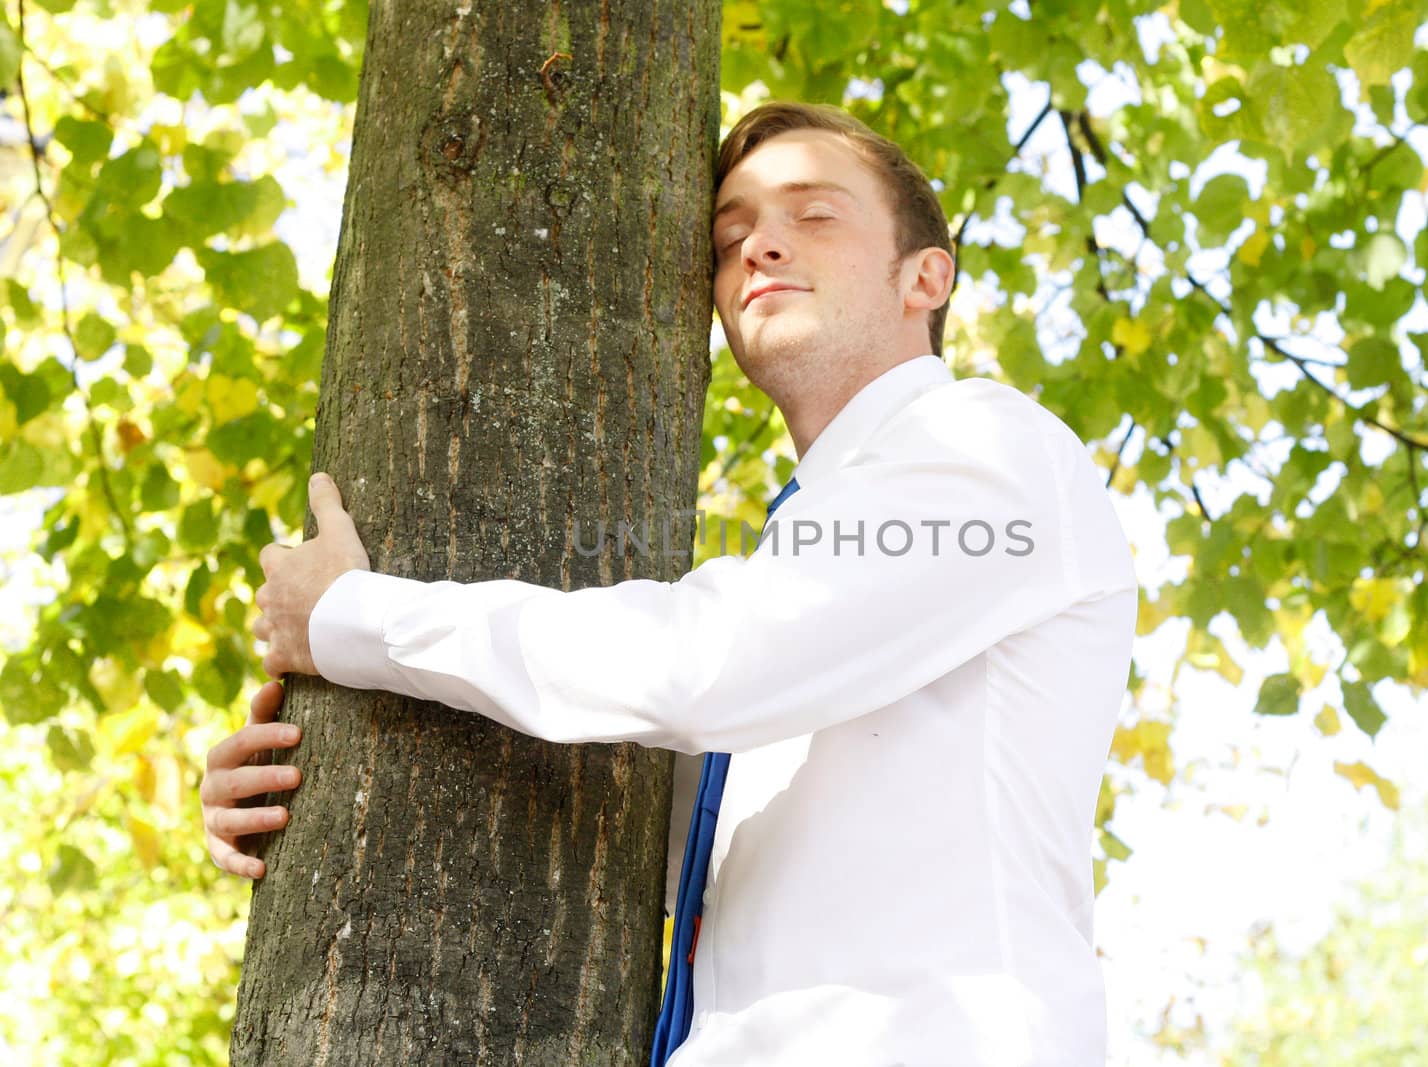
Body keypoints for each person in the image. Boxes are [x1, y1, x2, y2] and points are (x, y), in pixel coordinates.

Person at [201, 101, 1137, 1065]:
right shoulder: (807, 567)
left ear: (925, 277)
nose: (760, 248)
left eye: (813, 215)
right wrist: (306, 773)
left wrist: (355, 618)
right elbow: (639, 814)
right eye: (732, 236)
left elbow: (699, 666)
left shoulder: (989, 443)